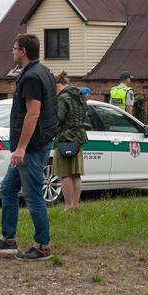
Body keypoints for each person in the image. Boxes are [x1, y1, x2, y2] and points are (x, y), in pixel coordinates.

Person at [0, 33, 58, 261]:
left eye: (15, 48)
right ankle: (8, 240)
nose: (12, 52)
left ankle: (42, 246)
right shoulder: (42, 71)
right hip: (30, 146)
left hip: (31, 148)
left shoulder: (33, 77)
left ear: (24, 51)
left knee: (34, 196)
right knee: (7, 189)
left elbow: (33, 113)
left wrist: (21, 148)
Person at [53, 71, 88, 211]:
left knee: (65, 173)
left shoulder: (63, 98)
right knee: (76, 173)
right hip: (78, 138)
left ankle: (68, 206)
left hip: (64, 138)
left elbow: (59, 118)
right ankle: (76, 205)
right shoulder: (78, 96)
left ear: (57, 85)